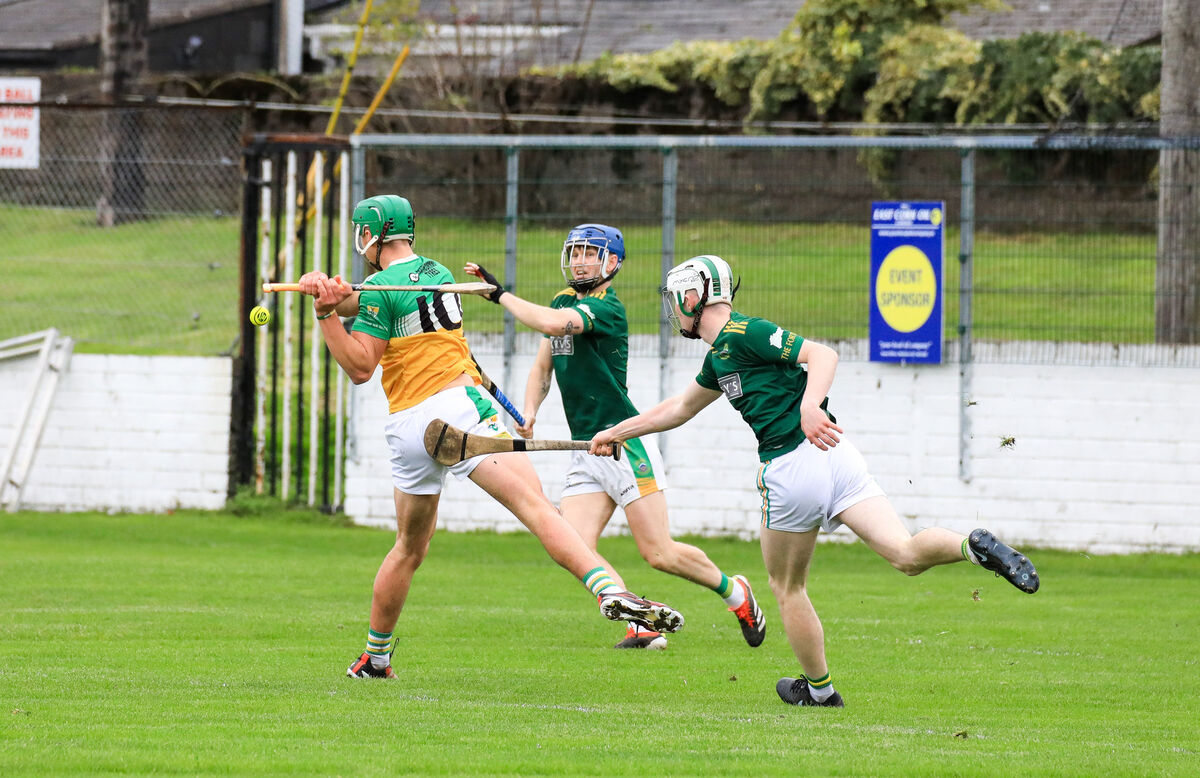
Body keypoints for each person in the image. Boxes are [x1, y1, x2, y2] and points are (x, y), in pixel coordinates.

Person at [587, 254, 1040, 706]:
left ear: (693, 295)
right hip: (836, 456)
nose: (674, 309)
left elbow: (823, 354)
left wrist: (809, 405)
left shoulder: (745, 333)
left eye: (675, 298)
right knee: (905, 554)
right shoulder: (720, 355)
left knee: (787, 588)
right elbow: (678, 409)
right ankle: (972, 546)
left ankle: (820, 693)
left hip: (793, 466)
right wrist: (615, 432)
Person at [296, 195, 684, 679]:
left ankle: (376, 659)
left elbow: (359, 366)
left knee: (408, 548)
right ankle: (609, 590)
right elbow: (371, 298)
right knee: (538, 508)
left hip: (406, 426)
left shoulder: (377, 287)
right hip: (457, 410)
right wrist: (330, 296)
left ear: (370, 236)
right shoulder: (439, 273)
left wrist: (326, 312)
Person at [462, 224, 767, 651]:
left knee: (658, 552)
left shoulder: (607, 309)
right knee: (573, 548)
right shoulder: (563, 300)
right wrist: (530, 412)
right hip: (585, 449)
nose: (581, 259)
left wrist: (501, 295)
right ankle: (641, 623)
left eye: (591, 252)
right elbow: (541, 368)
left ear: (611, 263)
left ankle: (736, 593)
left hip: (624, 444)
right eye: (576, 251)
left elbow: (552, 323)